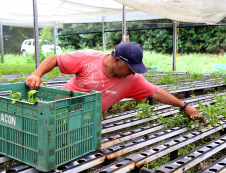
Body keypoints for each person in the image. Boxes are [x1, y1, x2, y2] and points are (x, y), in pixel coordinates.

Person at [26, 41, 199, 119]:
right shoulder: (87, 58)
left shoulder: (133, 79)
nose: (133, 73)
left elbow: (156, 92)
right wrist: (36, 74)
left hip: (88, 120)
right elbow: (56, 59)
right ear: (117, 61)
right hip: (59, 109)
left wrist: (184, 106)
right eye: (130, 69)